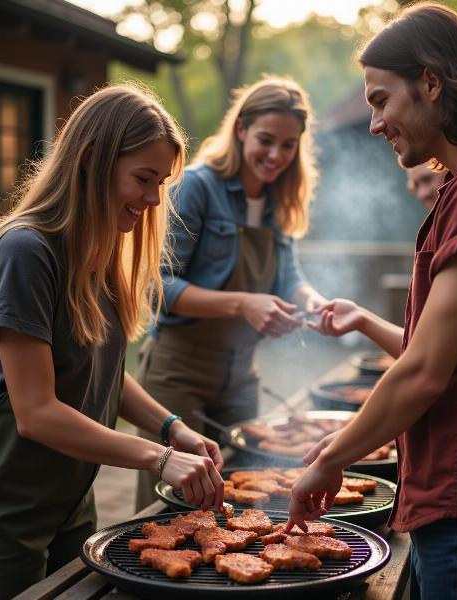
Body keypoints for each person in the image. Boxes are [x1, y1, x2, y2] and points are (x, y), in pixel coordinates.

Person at [286, 3, 457, 599]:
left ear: (432, 83)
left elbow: (424, 370)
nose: (374, 123)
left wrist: (332, 456)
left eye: (382, 100)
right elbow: (454, 352)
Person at [0, 84, 225, 600]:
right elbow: (35, 411)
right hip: (2, 496)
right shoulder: (27, 250)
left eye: (161, 183)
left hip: (70, 493)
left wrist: (174, 429)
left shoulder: (100, 247)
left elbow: (104, 370)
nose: (154, 200)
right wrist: (158, 458)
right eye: (143, 179)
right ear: (90, 161)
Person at [135, 76, 326, 511]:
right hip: (178, 372)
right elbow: (156, 285)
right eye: (266, 139)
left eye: (288, 144)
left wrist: (312, 300)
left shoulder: (281, 197)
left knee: (244, 494)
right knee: (170, 506)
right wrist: (243, 304)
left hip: (242, 375)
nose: (276, 155)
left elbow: (288, 275)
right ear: (240, 129)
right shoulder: (196, 186)